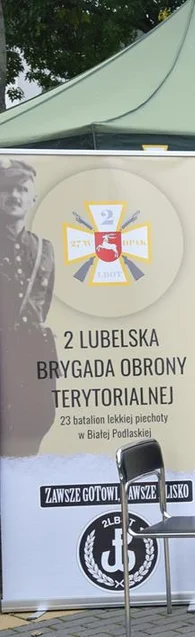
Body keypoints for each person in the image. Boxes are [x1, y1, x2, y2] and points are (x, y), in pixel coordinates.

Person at [0, 159, 57, 457]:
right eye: (7, 188)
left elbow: (42, 305)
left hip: (32, 361)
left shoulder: (44, 249)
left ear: (32, 198)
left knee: (32, 432)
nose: (14, 196)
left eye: (22, 189)